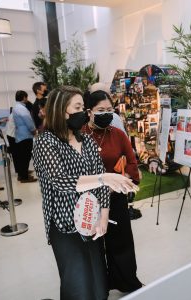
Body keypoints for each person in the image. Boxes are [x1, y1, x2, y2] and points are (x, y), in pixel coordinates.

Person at [33, 85, 138, 300]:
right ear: (62, 110)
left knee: (98, 284)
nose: (84, 112)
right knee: (77, 282)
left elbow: (100, 182)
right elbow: (60, 180)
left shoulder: (86, 141)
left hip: (91, 219)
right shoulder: (46, 142)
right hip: (64, 224)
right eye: (79, 107)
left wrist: (104, 216)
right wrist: (104, 178)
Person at [82, 89, 143, 293]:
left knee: (121, 241)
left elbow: (132, 164)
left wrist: (118, 183)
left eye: (110, 109)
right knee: (94, 246)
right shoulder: (79, 135)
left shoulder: (117, 134)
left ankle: (126, 282)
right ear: (89, 111)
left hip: (115, 198)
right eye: (101, 110)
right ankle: (99, 287)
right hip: (87, 201)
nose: (106, 114)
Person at [13, 90, 37, 183]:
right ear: (24, 97)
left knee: (22, 156)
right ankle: (24, 177)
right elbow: (28, 121)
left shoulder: (17, 107)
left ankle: (22, 175)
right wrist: (34, 130)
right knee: (25, 157)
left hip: (20, 135)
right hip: (25, 135)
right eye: (26, 97)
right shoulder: (22, 108)